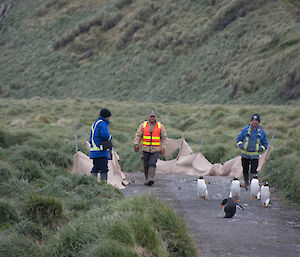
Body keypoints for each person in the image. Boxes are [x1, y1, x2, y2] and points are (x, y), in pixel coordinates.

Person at [134, 110, 167, 186]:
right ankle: (147, 180)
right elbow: (138, 135)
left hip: (156, 149)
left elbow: (164, 138)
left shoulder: (160, 126)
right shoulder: (143, 125)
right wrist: (136, 144)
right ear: (148, 116)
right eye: (151, 116)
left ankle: (150, 178)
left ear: (156, 117)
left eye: (153, 116)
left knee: (152, 163)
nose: (152, 117)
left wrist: (163, 147)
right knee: (146, 165)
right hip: (145, 149)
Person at [236, 113, 268, 188]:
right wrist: (241, 146)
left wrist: (261, 149)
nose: (254, 122)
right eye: (253, 120)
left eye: (256, 120)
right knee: (245, 168)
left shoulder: (262, 132)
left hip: (255, 155)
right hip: (245, 154)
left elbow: (265, 144)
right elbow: (238, 139)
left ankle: (253, 184)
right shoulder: (245, 130)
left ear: (258, 122)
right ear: (251, 121)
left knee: (254, 170)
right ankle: (246, 182)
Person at [89, 108, 113, 182]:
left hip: (94, 152)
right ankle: (103, 185)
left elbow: (90, 139)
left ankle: (93, 184)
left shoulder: (95, 124)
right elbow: (105, 135)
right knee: (104, 169)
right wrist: (110, 137)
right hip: (101, 151)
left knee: (95, 168)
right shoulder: (102, 123)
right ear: (107, 116)